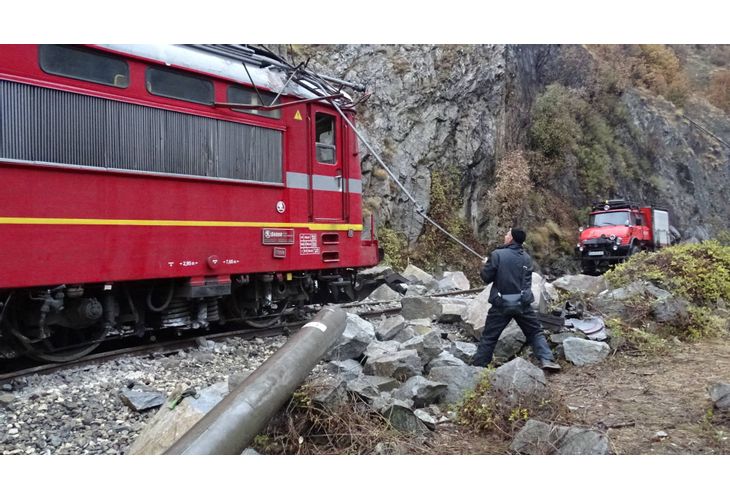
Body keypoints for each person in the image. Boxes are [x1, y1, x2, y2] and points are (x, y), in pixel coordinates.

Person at [472, 227, 561, 372]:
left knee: (489, 337)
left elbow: (486, 278)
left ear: (511, 238)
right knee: (535, 332)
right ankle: (547, 359)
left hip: (501, 304)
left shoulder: (497, 255)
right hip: (522, 304)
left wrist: (486, 265)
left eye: (507, 234)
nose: (505, 235)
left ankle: (478, 368)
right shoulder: (526, 257)